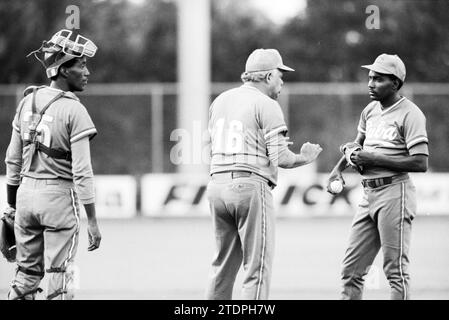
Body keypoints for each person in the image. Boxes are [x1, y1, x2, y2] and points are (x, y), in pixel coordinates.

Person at [206, 48, 323, 300]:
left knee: (222, 267)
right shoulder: (266, 104)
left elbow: (214, 145)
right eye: (281, 75)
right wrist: (305, 157)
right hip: (249, 187)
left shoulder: (220, 100)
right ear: (268, 76)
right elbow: (281, 158)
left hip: (216, 186)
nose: (282, 81)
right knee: (256, 269)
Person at [4, 29, 102, 300]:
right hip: (58, 199)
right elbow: (82, 172)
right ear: (61, 69)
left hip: (25, 196)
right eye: (81, 64)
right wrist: (92, 219)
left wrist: (11, 206)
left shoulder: (27, 101)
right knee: (61, 277)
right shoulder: (75, 110)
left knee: (25, 277)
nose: (87, 72)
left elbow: (12, 160)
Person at [326, 54, 429, 300]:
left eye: (379, 79)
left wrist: (373, 159)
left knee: (395, 271)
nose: (370, 83)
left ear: (395, 83)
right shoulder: (370, 110)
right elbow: (357, 145)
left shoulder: (410, 114)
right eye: (370, 77)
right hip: (368, 194)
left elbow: (420, 162)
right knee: (351, 270)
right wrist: (338, 168)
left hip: (395, 192)